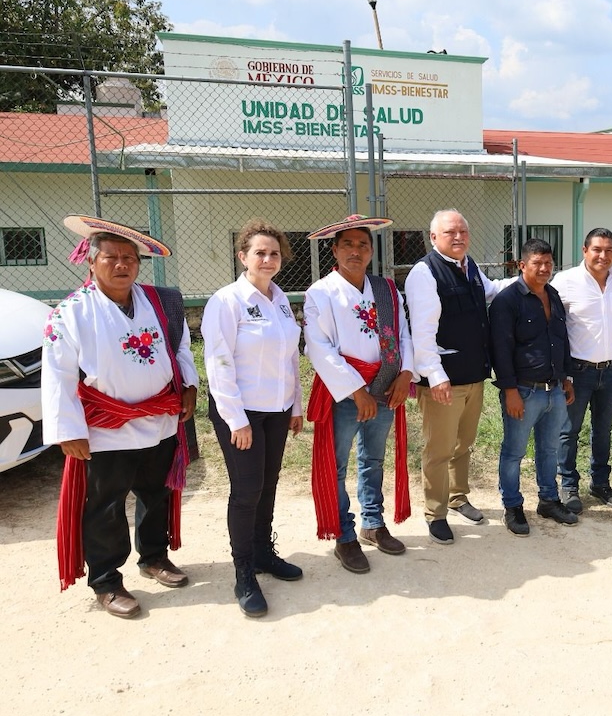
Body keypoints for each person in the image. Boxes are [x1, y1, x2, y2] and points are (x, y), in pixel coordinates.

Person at [44, 216, 198, 618]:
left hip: (160, 421)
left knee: (156, 494)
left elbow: (181, 349)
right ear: (91, 262)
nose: (121, 264)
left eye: (129, 257)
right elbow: (58, 375)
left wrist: (191, 386)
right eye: (110, 257)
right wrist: (68, 431)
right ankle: (107, 581)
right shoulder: (70, 313)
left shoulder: (163, 302)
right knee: (106, 506)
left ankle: (153, 558)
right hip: (105, 430)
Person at [202, 220, 304, 617]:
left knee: (269, 483)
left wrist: (295, 406)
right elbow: (219, 362)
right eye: (259, 252)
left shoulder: (279, 299)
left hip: (277, 410)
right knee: (246, 491)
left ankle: (263, 552)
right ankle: (244, 572)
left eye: (274, 253)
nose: (268, 258)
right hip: (241, 412)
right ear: (242, 256)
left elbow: (290, 356)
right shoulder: (226, 301)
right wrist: (235, 420)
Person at [304, 215, 414, 574]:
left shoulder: (386, 289)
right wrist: (355, 390)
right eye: (348, 244)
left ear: (371, 251)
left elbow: (404, 335)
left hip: (385, 386)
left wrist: (406, 373)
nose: (356, 250)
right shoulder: (321, 292)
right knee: (337, 466)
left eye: (362, 245)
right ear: (334, 250)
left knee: (374, 459)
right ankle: (344, 535)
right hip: (345, 394)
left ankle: (372, 522)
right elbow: (318, 347)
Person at [406, 209, 513, 544]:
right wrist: (435, 377)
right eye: (450, 232)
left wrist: (529, 278)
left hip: (472, 376)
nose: (458, 237)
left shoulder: (470, 267)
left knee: (463, 444)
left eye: (463, 231)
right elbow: (421, 333)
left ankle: (457, 497)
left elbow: (492, 291)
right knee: (439, 449)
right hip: (444, 382)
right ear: (433, 236)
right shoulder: (424, 273)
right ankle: (435, 513)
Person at [490, 238, 577, 535]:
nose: (544, 269)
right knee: (514, 452)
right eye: (537, 263)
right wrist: (510, 390)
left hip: (554, 389)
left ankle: (548, 500)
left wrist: (566, 379)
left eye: (548, 263)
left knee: (549, 449)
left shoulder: (552, 295)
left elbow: (561, 340)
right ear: (522, 265)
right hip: (524, 391)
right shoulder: (507, 301)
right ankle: (512, 506)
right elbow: (500, 349)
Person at [553, 227, 612, 512]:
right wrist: (563, 374)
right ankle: (568, 485)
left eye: (609, 250)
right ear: (584, 251)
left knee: (603, 431)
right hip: (578, 372)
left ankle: (600, 484)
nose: (603, 255)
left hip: (611, 372)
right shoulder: (565, 281)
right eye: (597, 249)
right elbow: (553, 327)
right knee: (569, 431)